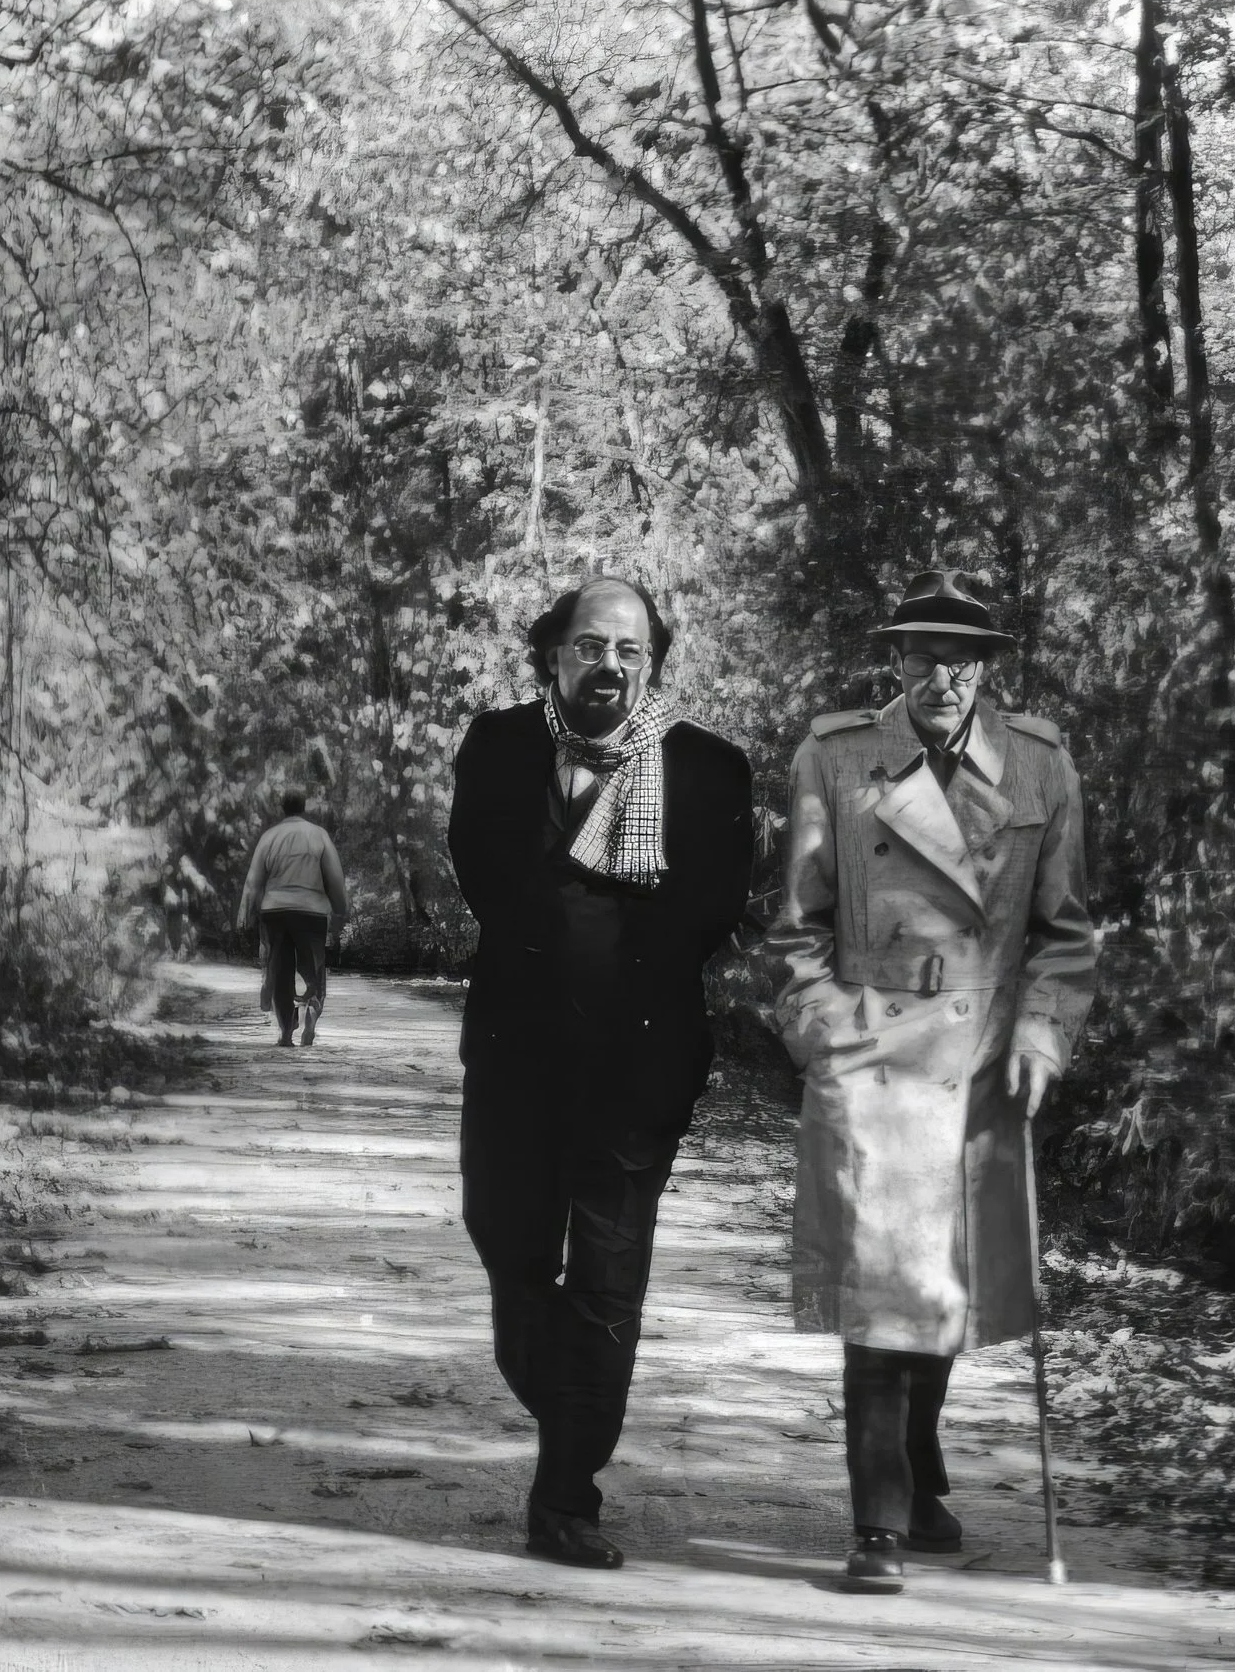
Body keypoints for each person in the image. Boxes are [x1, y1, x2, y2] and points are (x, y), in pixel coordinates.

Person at [769, 569, 1099, 1594]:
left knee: (941, 1289)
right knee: (880, 1293)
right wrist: (826, 1031)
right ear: (896, 660)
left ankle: (917, 1459)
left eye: (964, 656)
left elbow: (1065, 934)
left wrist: (1043, 1038)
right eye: (923, 653)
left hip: (976, 1057)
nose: (943, 673)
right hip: (872, 1055)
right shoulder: (836, 756)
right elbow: (794, 930)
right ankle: (879, 1524)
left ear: (988, 665)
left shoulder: (1039, 765)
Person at [446, 575, 753, 1571]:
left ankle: (565, 1492)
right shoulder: (498, 748)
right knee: (506, 1244)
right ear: (552, 654)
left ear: (652, 663)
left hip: (636, 1067)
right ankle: (568, 1394)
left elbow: (707, 910)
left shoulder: (706, 769)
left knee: (610, 1287)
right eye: (590, 645)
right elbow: (485, 877)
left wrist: (605, 936)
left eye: (630, 649)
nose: (609, 664)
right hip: (515, 1060)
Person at [237, 793, 350, 1048]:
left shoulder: (270, 837)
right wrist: (341, 908)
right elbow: (334, 877)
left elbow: (253, 882)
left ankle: (286, 1030)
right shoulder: (319, 835)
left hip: (275, 912)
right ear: (304, 807)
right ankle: (312, 1007)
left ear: (283, 808)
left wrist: (244, 916)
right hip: (311, 912)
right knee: (314, 967)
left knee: (280, 970)